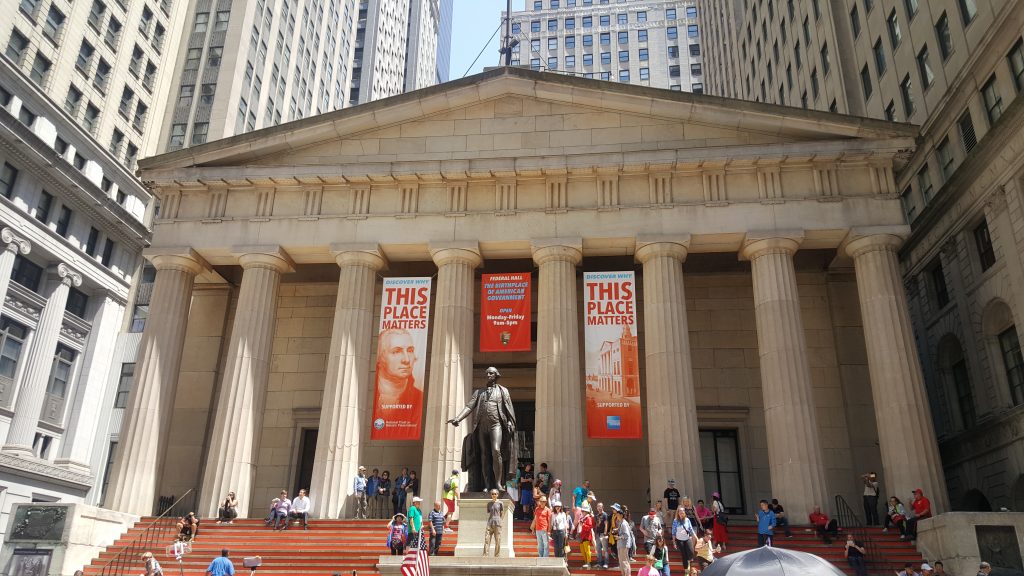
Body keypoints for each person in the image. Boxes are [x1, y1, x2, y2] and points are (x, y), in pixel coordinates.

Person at [448, 367, 518, 492]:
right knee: (484, 455)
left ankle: (498, 483)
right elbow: (469, 407)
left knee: (496, 450)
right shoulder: (479, 392)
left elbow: (509, 408)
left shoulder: (503, 391)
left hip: (496, 425)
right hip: (481, 427)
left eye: (491, 373)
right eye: (487, 373)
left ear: (496, 375)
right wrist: (458, 418)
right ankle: (487, 484)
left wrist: (509, 422)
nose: (488, 375)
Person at [372, 329, 424, 440]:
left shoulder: (420, 398)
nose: (406, 360)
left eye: (410, 350)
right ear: (380, 357)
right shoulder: (367, 395)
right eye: (396, 352)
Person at [672, 506, 695, 572]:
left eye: (683, 512)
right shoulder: (675, 521)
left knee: (691, 552)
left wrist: (695, 537)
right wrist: (674, 542)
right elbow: (673, 532)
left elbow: (691, 529)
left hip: (687, 538)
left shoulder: (687, 520)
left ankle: (690, 565)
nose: (681, 513)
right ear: (678, 513)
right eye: (680, 512)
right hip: (679, 540)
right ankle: (686, 569)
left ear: (684, 513)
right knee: (684, 554)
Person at [483, 489, 505, 557]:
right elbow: (489, 512)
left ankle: (497, 555)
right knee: (487, 539)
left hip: (497, 523)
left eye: (495, 494)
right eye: (492, 494)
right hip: (490, 522)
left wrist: (500, 520)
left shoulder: (500, 503)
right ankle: (485, 555)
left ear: (497, 495)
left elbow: (502, 513)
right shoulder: (489, 504)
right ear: (491, 495)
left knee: (497, 540)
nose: (494, 495)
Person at [616, 506, 635, 576]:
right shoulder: (621, 522)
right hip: (621, 544)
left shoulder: (624, 523)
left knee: (624, 561)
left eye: (617, 514)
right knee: (622, 561)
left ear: (621, 515)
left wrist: (619, 537)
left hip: (624, 545)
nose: (616, 516)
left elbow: (626, 535)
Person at [594, 502, 610, 570]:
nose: (599, 508)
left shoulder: (605, 515)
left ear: (603, 507)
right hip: (598, 534)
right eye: (598, 506)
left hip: (603, 534)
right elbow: (597, 525)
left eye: (600, 506)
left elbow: (606, 524)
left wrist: (605, 533)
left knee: (605, 549)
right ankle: (599, 563)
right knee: (598, 549)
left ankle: (606, 563)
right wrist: (595, 533)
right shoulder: (596, 515)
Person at [443, 469, 459, 533]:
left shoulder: (450, 478)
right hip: (450, 497)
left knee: (450, 510)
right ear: (457, 474)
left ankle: (443, 518)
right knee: (451, 512)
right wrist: (458, 498)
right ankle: (446, 527)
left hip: (445, 496)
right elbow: (456, 490)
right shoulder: (455, 479)